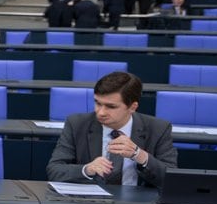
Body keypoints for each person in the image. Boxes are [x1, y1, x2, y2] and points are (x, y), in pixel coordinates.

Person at [46, 71, 177, 188]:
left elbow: (171, 179)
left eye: (111, 106)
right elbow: (54, 170)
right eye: (97, 103)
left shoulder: (158, 128)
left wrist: (140, 155)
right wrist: (87, 169)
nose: (101, 112)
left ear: (132, 107)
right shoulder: (77, 124)